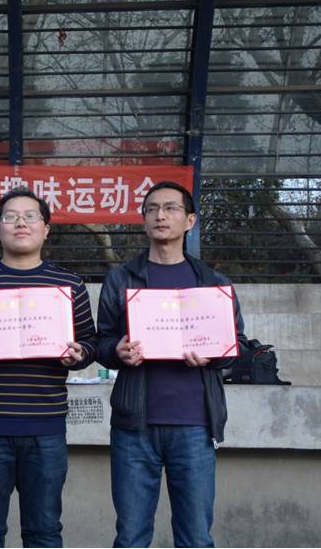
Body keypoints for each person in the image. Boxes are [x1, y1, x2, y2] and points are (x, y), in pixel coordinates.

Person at [0, 188, 97, 548]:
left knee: (44, 531)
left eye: (30, 216)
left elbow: (90, 341)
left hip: (45, 426)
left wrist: (79, 353)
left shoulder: (69, 285)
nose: (20, 223)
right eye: (10, 217)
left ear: (46, 229)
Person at [95, 181, 247, 548]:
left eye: (170, 208)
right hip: (134, 426)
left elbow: (238, 345)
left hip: (195, 425)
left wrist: (213, 355)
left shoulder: (212, 283)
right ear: (144, 220)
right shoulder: (121, 279)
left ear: (190, 220)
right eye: (151, 209)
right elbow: (101, 343)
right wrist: (118, 351)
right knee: (130, 537)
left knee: (195, 537)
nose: (160, 215)